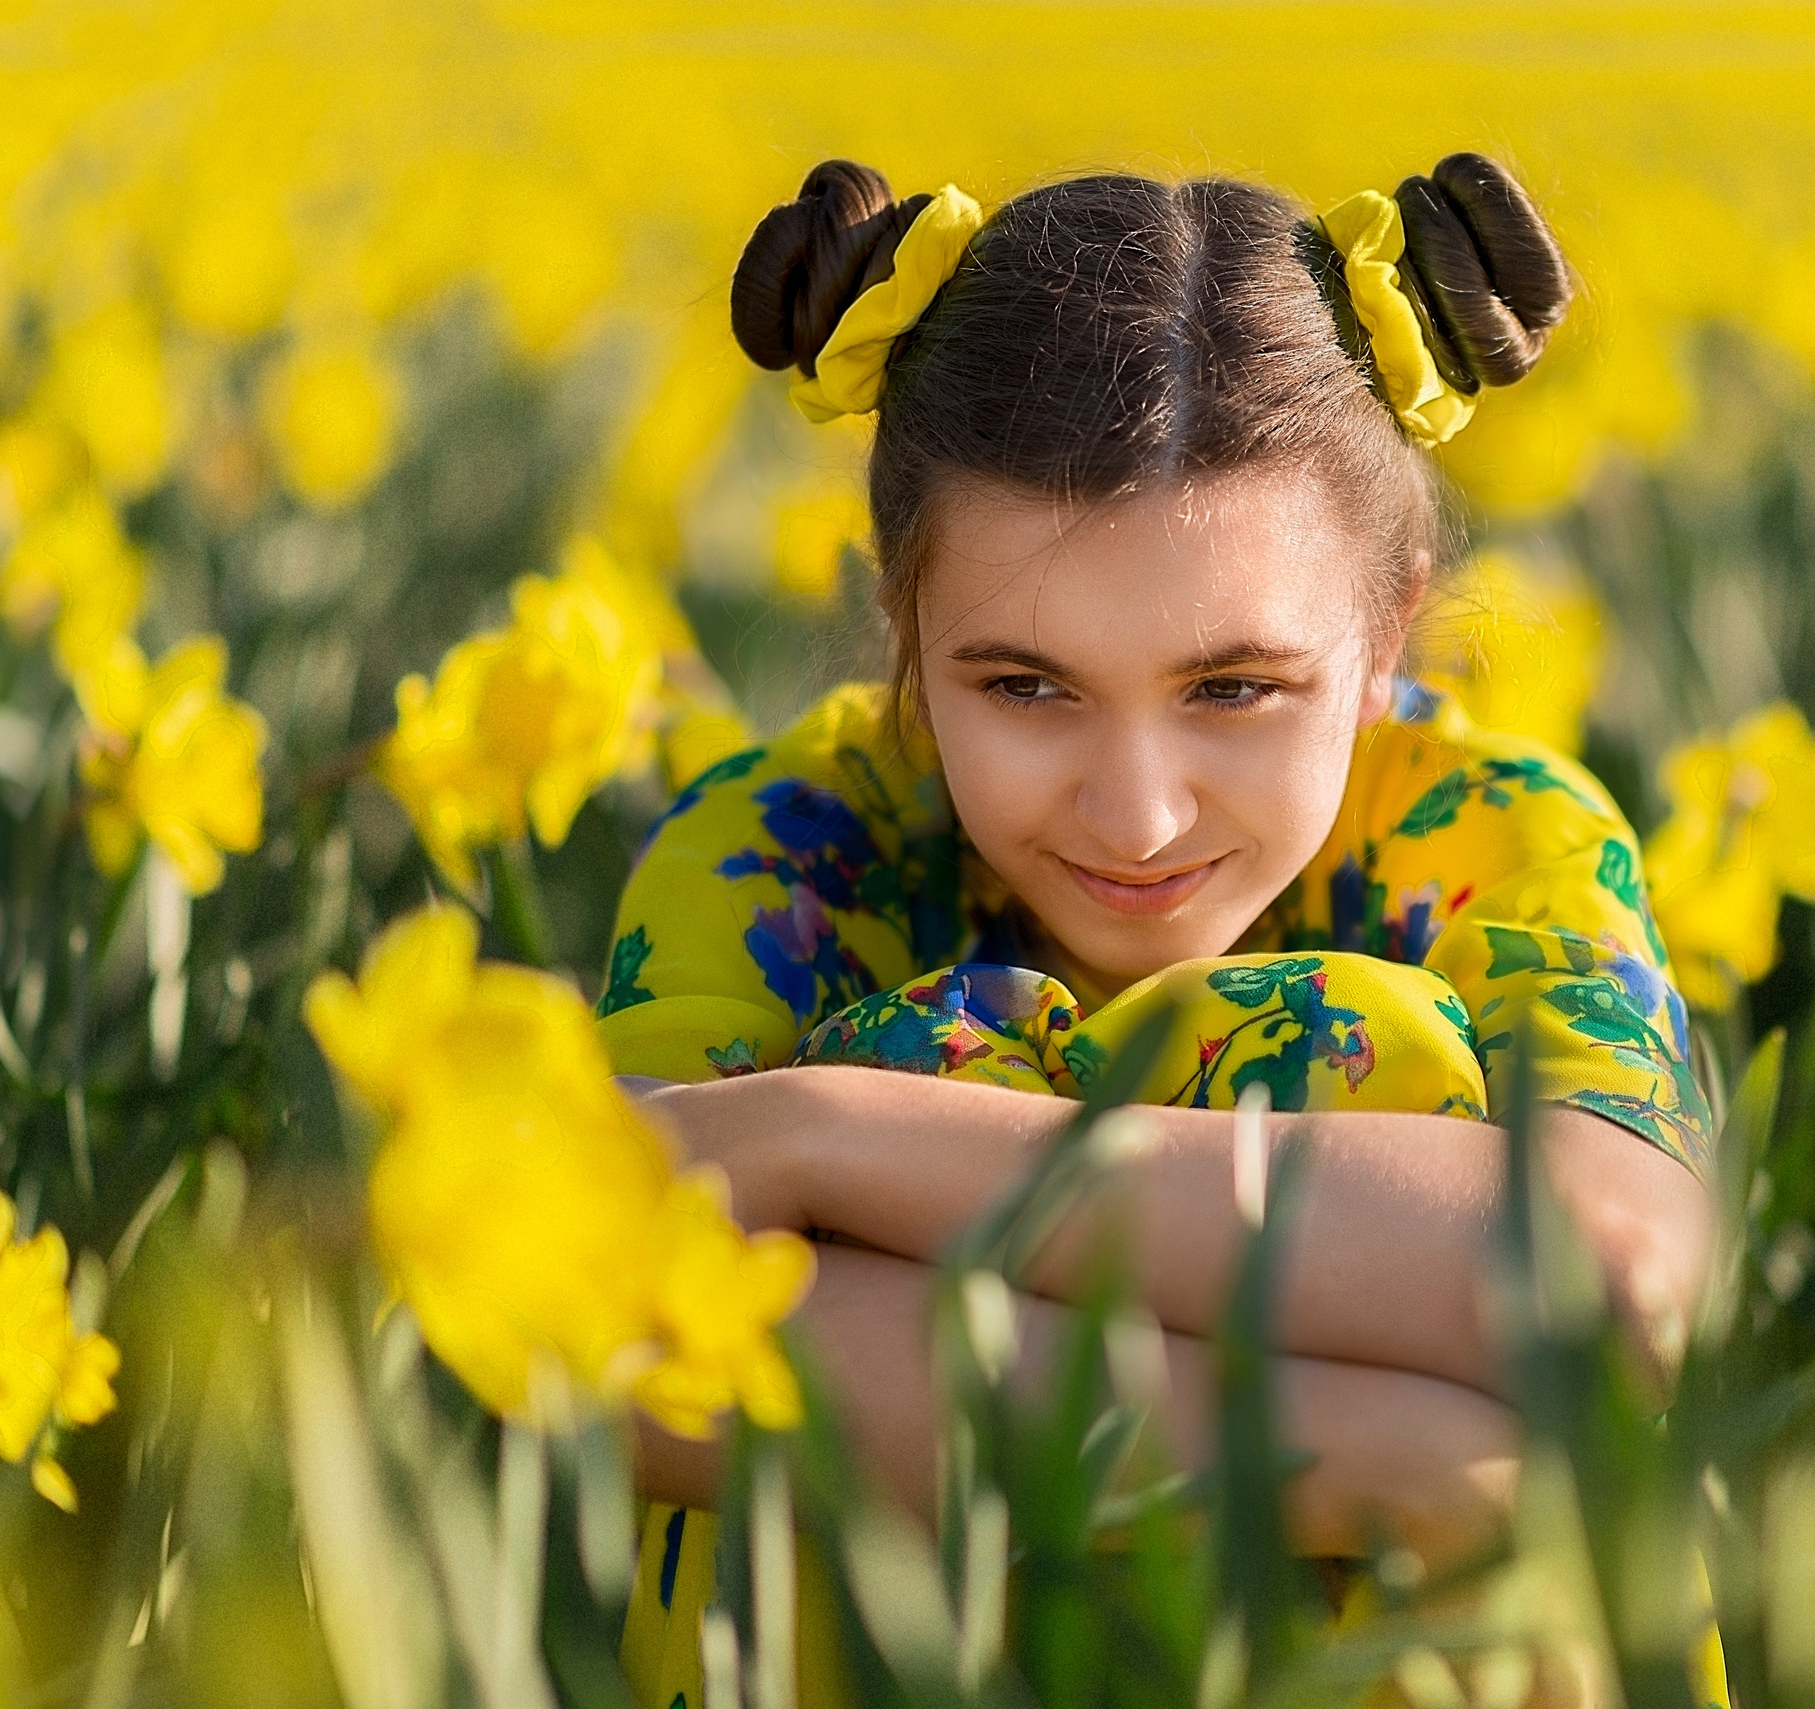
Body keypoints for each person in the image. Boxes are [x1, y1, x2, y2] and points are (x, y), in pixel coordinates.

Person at [598, 153, 1722, 1708]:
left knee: (1361, 1048)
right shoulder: (788, 845)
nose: (1136, 817)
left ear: (1390, 630)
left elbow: (1608, 1276)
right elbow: (597, 1335)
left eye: (1233, 689)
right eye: (1025, 686)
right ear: (901, 625)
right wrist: (1363, 1452)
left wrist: (813, 1138)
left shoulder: (1487, 828)